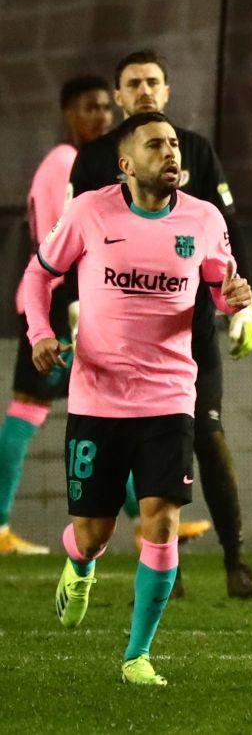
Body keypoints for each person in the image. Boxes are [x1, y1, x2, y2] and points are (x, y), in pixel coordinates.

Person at [26, 112, 252, 685]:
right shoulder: (89, 212)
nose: (171, 153)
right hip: (97, 399)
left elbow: (219, 286)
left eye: (175, 143)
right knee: (93, 532)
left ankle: (137, 656)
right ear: (126, 164)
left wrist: (234, 301)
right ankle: (79, 564)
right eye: (156, 145)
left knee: (161, 521)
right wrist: (40, 334)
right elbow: (38, 275)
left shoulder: (203, 219)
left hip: (170, 395)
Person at [69, 50, 252, 598]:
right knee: (132, 443)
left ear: (169, 91)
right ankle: (159, 557)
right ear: (120, 96)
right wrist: (73, 312)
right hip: (114, 340)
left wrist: (243, 304)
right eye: (135, 83)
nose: (147, 90)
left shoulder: (196, 149)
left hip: (189, 328)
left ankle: (235, 559)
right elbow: (61, 250)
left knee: (209, 432)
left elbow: (226, 233)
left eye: (155, 80)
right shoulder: (91, 163)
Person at [0, 76, 112, 555]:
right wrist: (66, 308)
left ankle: (148, 513)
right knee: (29, 411)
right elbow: (54, 246)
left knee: (104, 414)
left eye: (107, 108)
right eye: (89, 107)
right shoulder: (62, 163)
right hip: (52, 314)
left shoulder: (87, 165)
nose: (101, 116)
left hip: (73, 309)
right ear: (69, 112)